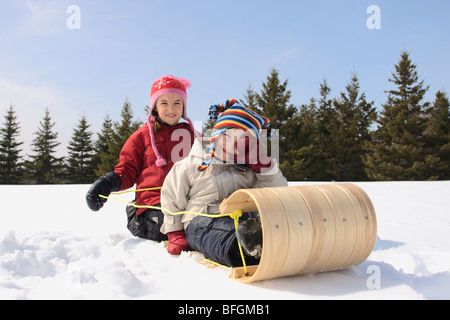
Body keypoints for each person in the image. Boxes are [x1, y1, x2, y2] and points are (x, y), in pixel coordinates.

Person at [160, 99, 288, 266]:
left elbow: (277, 193)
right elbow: (172, 198)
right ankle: (243, 248)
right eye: (228, 136)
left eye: (241, 142)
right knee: (217, 234)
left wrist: (264, 167)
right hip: (201, 221)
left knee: (263, 222)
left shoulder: (250, 170)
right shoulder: (192, 164)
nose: (232, 146)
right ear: (216, 135)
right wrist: (174, 232)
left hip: (242, 220)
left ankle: (271, 240)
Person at [86, 75, 196, 242]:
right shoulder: (142, 136)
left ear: (184, 107)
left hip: (187, 201)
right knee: (168, 225)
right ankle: (137, 218)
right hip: (154, 203)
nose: (171, 108)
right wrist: (107, 183)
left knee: (199, 223)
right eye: (164, 103)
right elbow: (127, 170)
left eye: (177, 103)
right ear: (155, 107)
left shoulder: (192, 136)